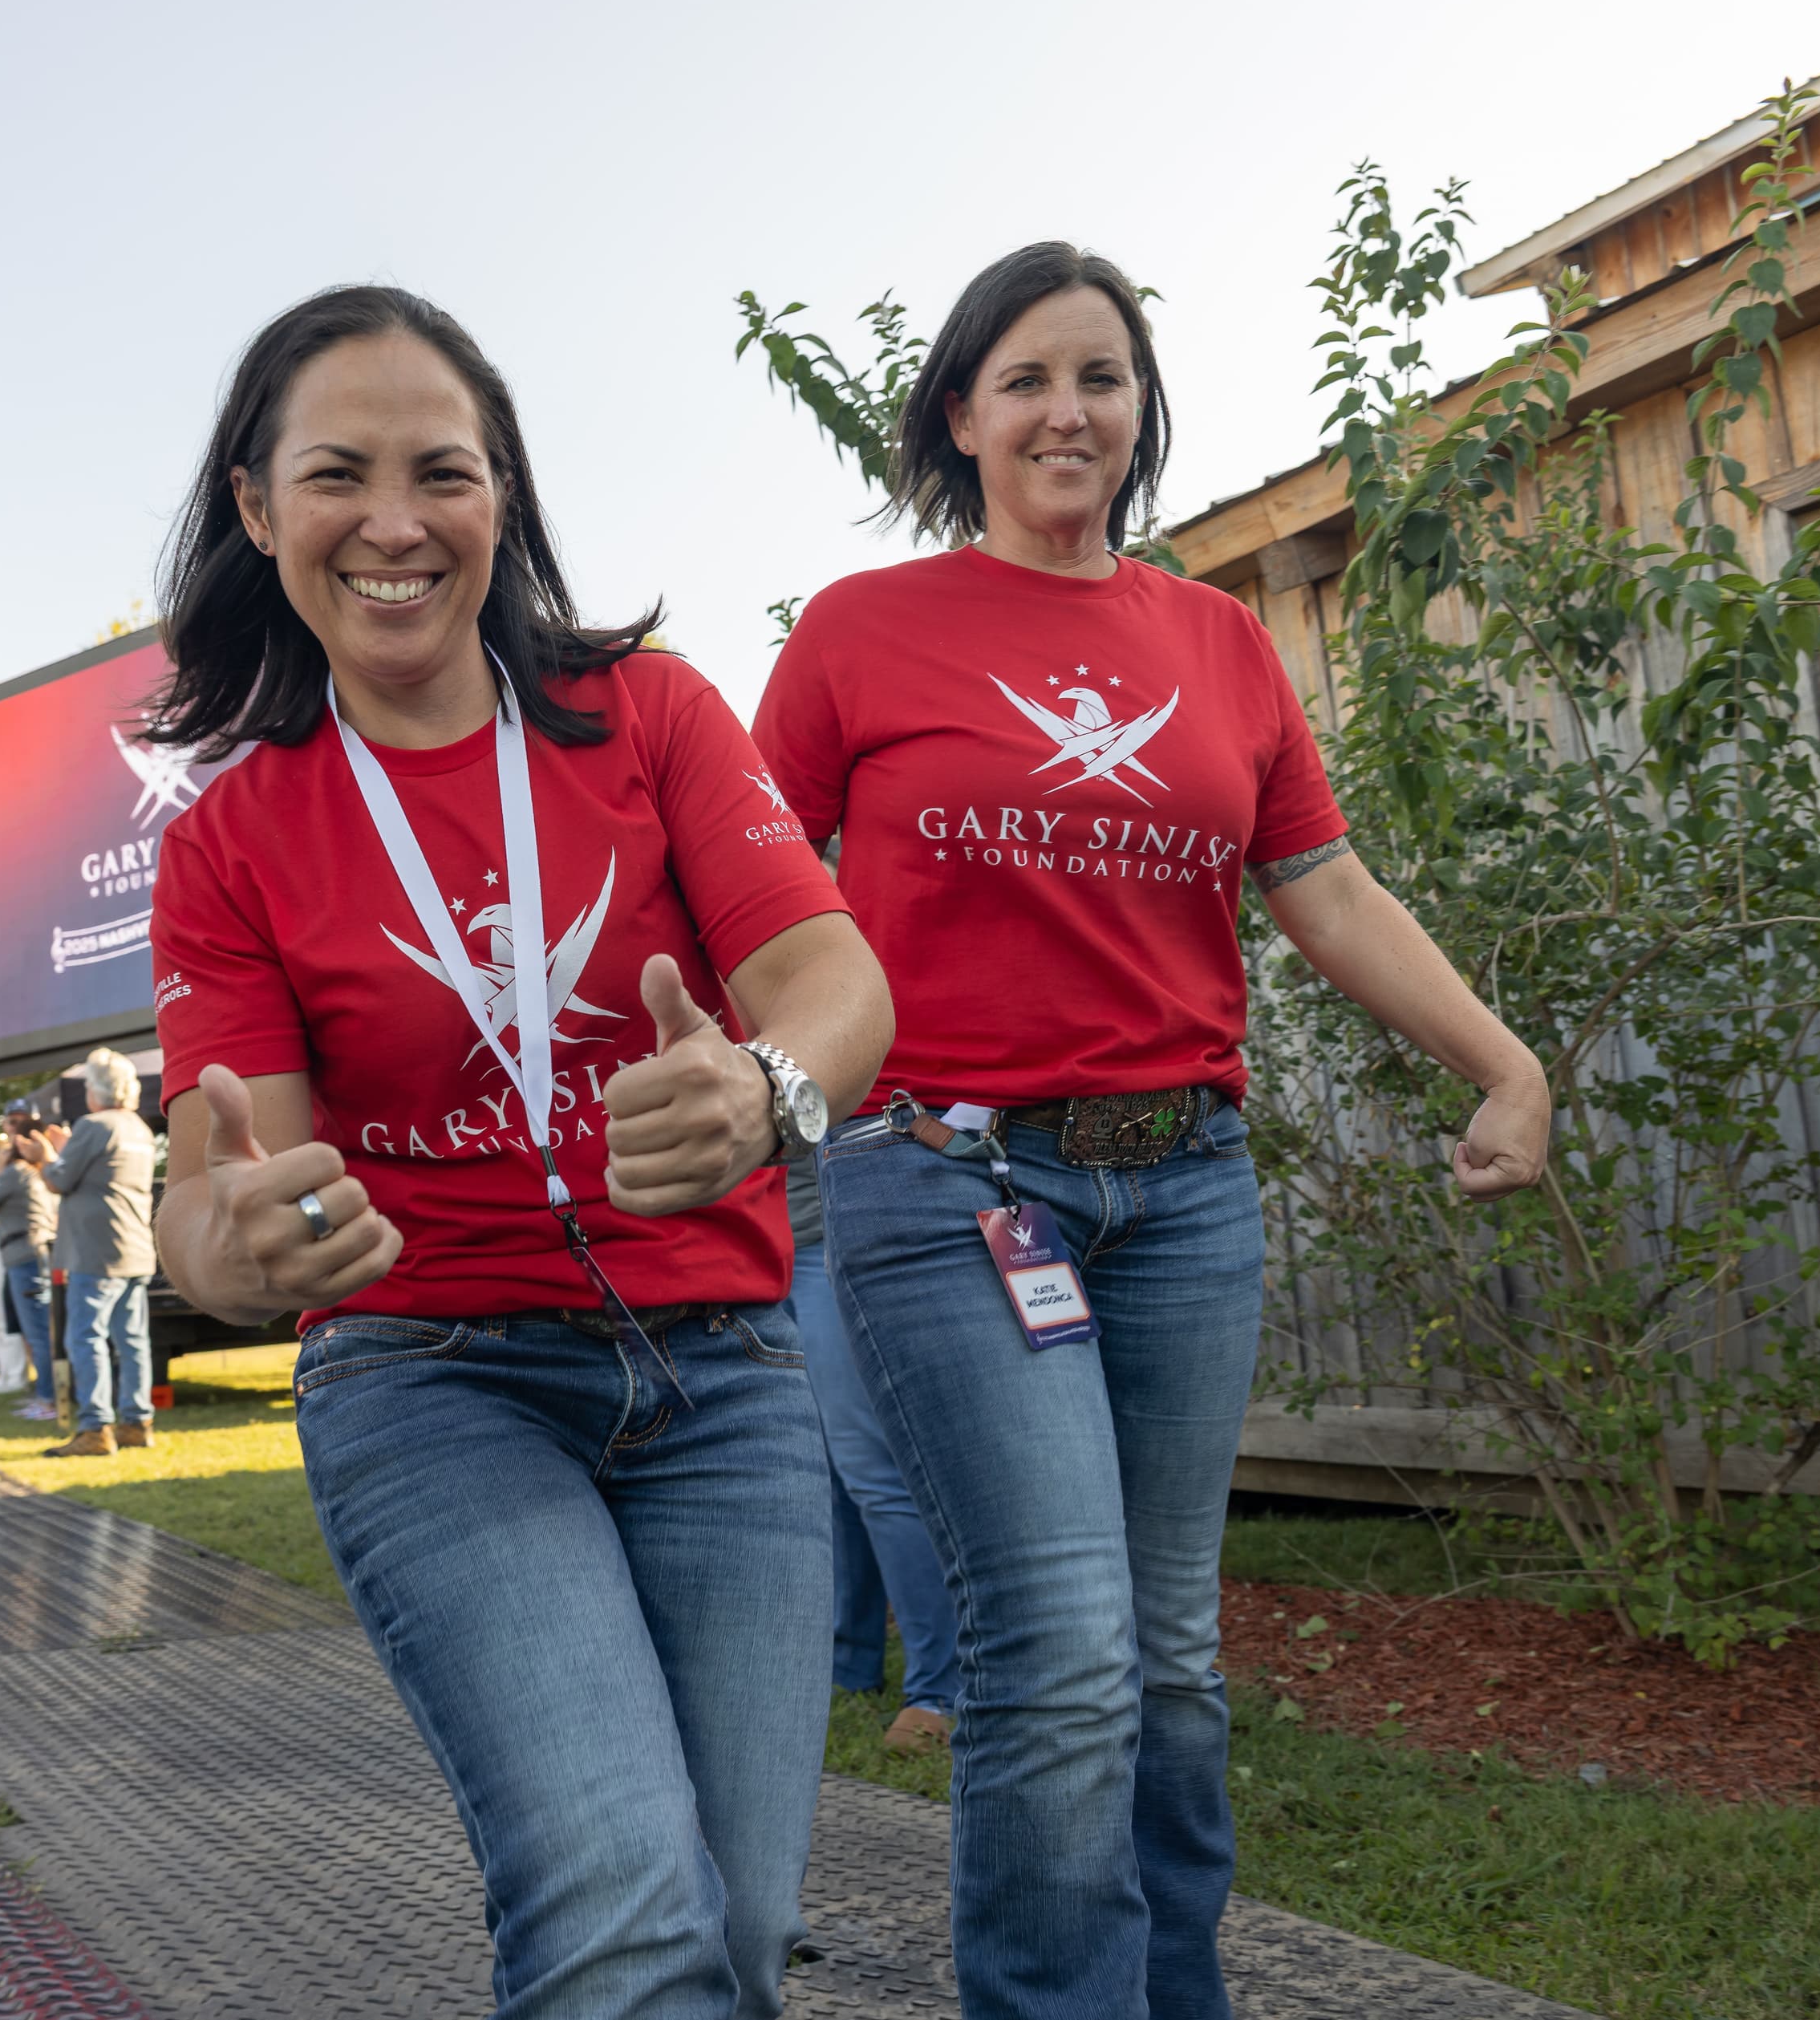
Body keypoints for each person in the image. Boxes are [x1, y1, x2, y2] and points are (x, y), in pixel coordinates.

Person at [756, 241, 1550, 2020]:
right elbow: (747, 881)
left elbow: (1323, 887)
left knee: (1173, 1661)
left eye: (1101, 375)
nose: (1069, 408)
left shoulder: (1217, 640)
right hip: (946, 1173)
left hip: (1185, 1182)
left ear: (1140, 410)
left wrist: (1506, 1061)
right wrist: (733, 1087)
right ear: (960, 413)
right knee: (1057, 1650)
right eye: (1028, 376)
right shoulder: (859, 632)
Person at [146, 284, 893, 2013]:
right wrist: (238, 1243)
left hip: (727, 1375)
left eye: (445, 473)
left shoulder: (650, 714)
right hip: (440, 1384)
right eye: (339, 473)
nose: (396, 523)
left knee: (733, 1937)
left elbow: (834, 981)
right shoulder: (237, 838)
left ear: (504, 500)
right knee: (625, 1911)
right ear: (260, 512)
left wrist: (769, 1090)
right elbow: (218, 1182)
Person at [788, 1155, 958, 1754]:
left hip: (832, 1240)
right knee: (825, 1469)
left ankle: (939, 1689)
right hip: (757, 1240)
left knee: (874, 1472)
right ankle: (851, 1665)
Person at [30, 1051, 156, 1455]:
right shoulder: (139, 1128)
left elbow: (58, 1179)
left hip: (95, 1252)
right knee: (132, 1340)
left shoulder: (93, 1124)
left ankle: (95, 1428)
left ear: (96, 1090)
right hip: (134, 1247)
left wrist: (44, 1158)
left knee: (86, 1337)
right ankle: (137, 1424)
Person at [0, 1130, 57, 1413]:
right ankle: (45, 1393)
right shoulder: (30, 1172)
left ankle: (48, 1400)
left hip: (24, 1256)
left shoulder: (14, 1172)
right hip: (30, 1253)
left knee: (37, 1332)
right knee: (36, 1331)